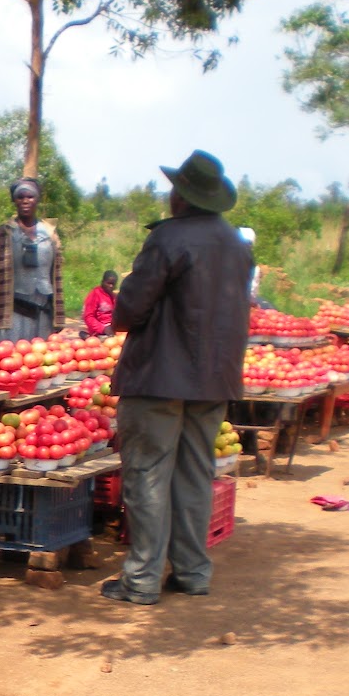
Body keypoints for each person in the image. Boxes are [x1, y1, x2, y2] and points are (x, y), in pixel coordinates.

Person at [102, 149, 251, 607]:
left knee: (147, 473)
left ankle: (142, 579)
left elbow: (130, 307)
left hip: (160, 378)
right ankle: (191, 571)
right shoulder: (236, 246)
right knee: (194, 473)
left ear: (180, 196)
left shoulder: (168, 239)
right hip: (215, 379)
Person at [0, 177, 64, 340]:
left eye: (30, 197)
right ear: (14, 200)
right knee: (11, 360)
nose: (25, 201)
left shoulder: (50, 234)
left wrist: (58, 315)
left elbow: (56, 276)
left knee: (40, 360)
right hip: (12, 312)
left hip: (43, 312)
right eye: (20, 197)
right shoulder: (2, 234)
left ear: (38, 199)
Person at [82, 271, 118, 337]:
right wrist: (103, 329)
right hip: (100, 330)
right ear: (102, 282)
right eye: (109, 283)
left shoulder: (113, 296)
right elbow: (88, 317)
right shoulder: (95, 294)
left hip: (112, 329)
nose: (111, 286)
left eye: (113, 284)